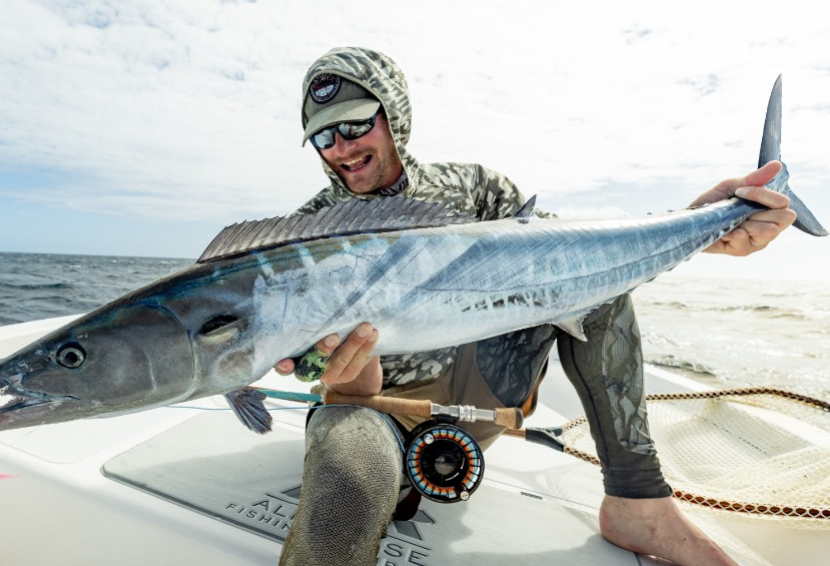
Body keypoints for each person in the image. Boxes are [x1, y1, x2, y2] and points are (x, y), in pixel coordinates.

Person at [274, 47, 796, 566]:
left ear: (393, 114)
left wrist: (704, 222)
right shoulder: (299, 239)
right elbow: (319, 369)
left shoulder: (474, 188)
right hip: (373, 409)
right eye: (323, 137)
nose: (342, 148)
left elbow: (581, 253)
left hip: (485, 386)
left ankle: (638, 502)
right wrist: (340, 368)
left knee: (583, 281)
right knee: (344, 486)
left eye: (356, 125)